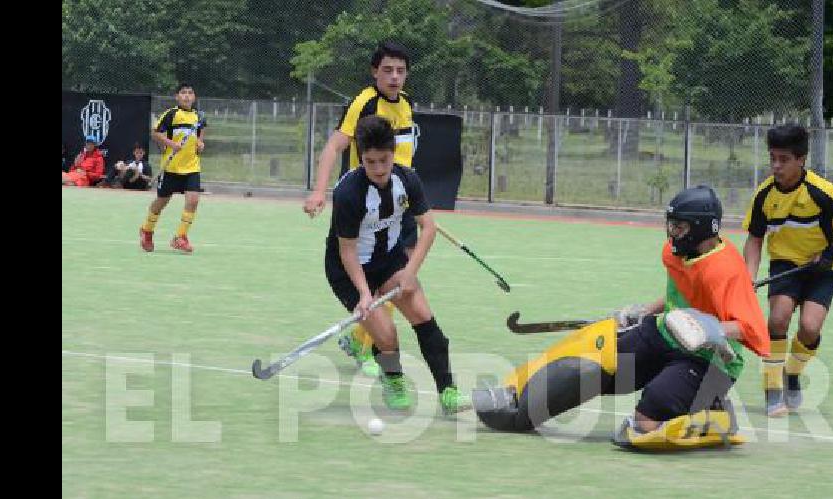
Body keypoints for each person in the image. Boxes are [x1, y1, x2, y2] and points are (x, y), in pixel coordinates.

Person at [473, 186, 769, 451]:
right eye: (671, 226)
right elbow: (680, 295)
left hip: (710, 361)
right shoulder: (675, 253)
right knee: (597, 359)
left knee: (643, 425)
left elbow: (750, 328)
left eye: (679, 227)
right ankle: (518, 394)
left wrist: (710, 329)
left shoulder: (727, 270)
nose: (671, 234)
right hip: (665, 334)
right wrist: (642, 311)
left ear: (701, 229)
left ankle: (714, 414)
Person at [325, 115, 470, 414]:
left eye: (384, 160)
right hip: (348, 270)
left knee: (425, 320)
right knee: (387, 335)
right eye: (370, 162)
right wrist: (365, 295)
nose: (378, 169)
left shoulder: (406, 179)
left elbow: (428, 228)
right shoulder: (348, 193)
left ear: (393, 153)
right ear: (361, 157)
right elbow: (347, 250)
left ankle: (449, 393)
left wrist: (409, 272)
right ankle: (393, 378)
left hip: (389, 259)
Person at [303, 41, 419, 378]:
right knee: (375, 281)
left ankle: (359, 341)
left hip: (400, 207)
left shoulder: (408, 105)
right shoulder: (365, 102)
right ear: (374, 72)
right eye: (387, 70)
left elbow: (404, 159)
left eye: (400, 70)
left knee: (400, 283)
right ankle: (365, 341)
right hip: (368, 212)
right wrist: (320, 191)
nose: (395, 77)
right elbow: (333, 147)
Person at [742, 125, 833, 417]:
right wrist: (749, 275)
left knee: (810, 328)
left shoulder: (820, 191)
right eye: (772, 158)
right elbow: (755, 238)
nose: (776, 166)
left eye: (783, 159)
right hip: (785, 264)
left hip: (824, 267)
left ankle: (792, 374)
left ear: (801, 159)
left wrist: (830, 252)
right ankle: (772, 389)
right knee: (778, 318)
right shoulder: (764, 195)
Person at [139, 84, 207, 253]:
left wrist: (200, 143)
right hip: (171, 167)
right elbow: (155, 133)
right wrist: (171, 144)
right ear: (177, 97)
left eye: (190, 93)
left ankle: (180, 237)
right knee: (161, 202)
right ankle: (147, 230)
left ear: (194, 97)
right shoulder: (171, 115)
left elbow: (200, 134)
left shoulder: (199, 116)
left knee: (193, 200)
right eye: (183, 93)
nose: (187, 96)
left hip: (191, 167)